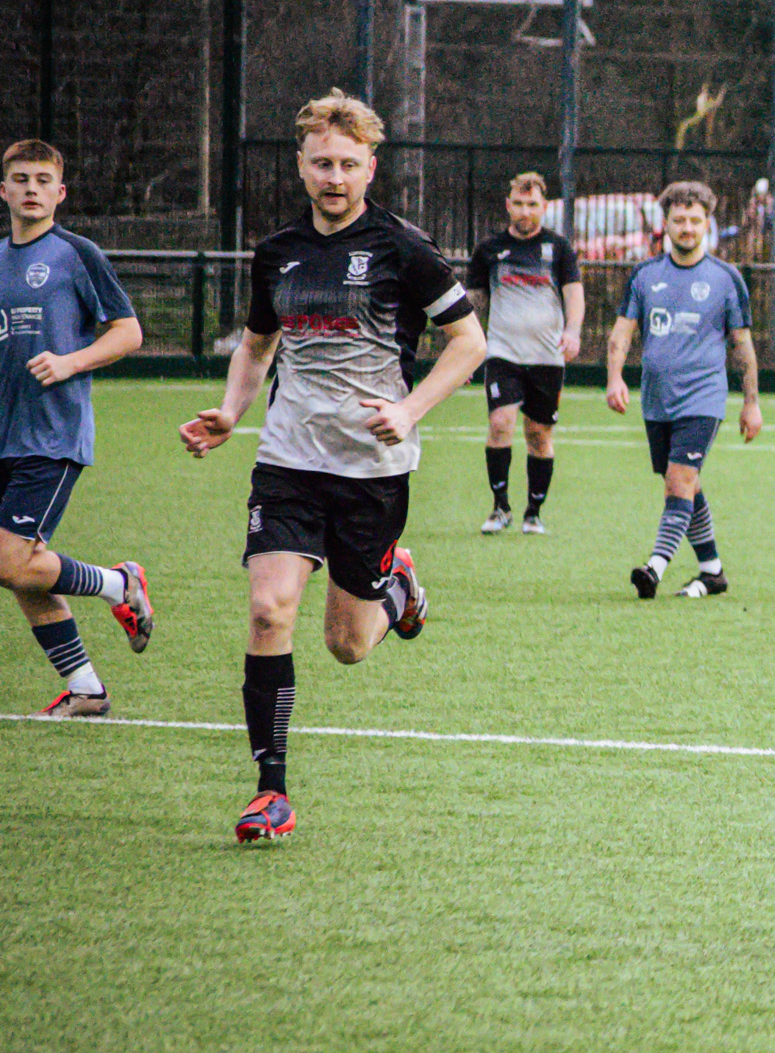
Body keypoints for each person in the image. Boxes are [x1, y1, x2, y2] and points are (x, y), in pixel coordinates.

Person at [179, 91, 486, 842]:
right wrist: (231, 411)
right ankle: (271, 789)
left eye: (349, 165)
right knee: (268, 607)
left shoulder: (402, 248)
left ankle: (398, 585)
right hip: (287, 460)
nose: (335, 177)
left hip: (372, 471)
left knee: (346, 643)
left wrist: (409, 410)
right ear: (301, 165)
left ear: (370, 167)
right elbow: (257, 345)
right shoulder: (277, 252)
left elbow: (470, 343)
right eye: (322, 163)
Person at [0, 139, 152, 716]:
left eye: (43, 179)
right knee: (19, 570)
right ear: (4, 190)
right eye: (21, 178)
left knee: (13, 560)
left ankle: (120, 584)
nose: (32, 188)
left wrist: (69, 361)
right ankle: (86, 688)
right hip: (3, 433)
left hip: (50, 436)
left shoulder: (76, 253)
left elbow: (129, 332)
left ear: (60, 193)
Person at [605, 181, 761, 598]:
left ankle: (654, 568)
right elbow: (622, 332)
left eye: (695, 220)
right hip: (656, 401)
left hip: (703, 399)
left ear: (708, 223)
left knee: (679, 481)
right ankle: (712, 571)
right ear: (666, 224)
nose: (687, 227)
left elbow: (742, 345)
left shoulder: (726, 279)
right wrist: (615, 377)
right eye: (679, 220)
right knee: (683, 484)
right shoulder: (645, 275)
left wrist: (751, 403)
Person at [465, 171, 584, 534]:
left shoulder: (558, 248)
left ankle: (534, 512)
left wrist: (573, 331)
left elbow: (574, 293)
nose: (525, 211)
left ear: (544, 206)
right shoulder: (489, 250)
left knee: (538, 434)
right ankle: (500, 508)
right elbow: (473, 302)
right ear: (508, 204)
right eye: (518, 203)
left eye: (532, 204)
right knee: (500, 423)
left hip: (547, 357)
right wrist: (466, 348)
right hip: (504, 353)